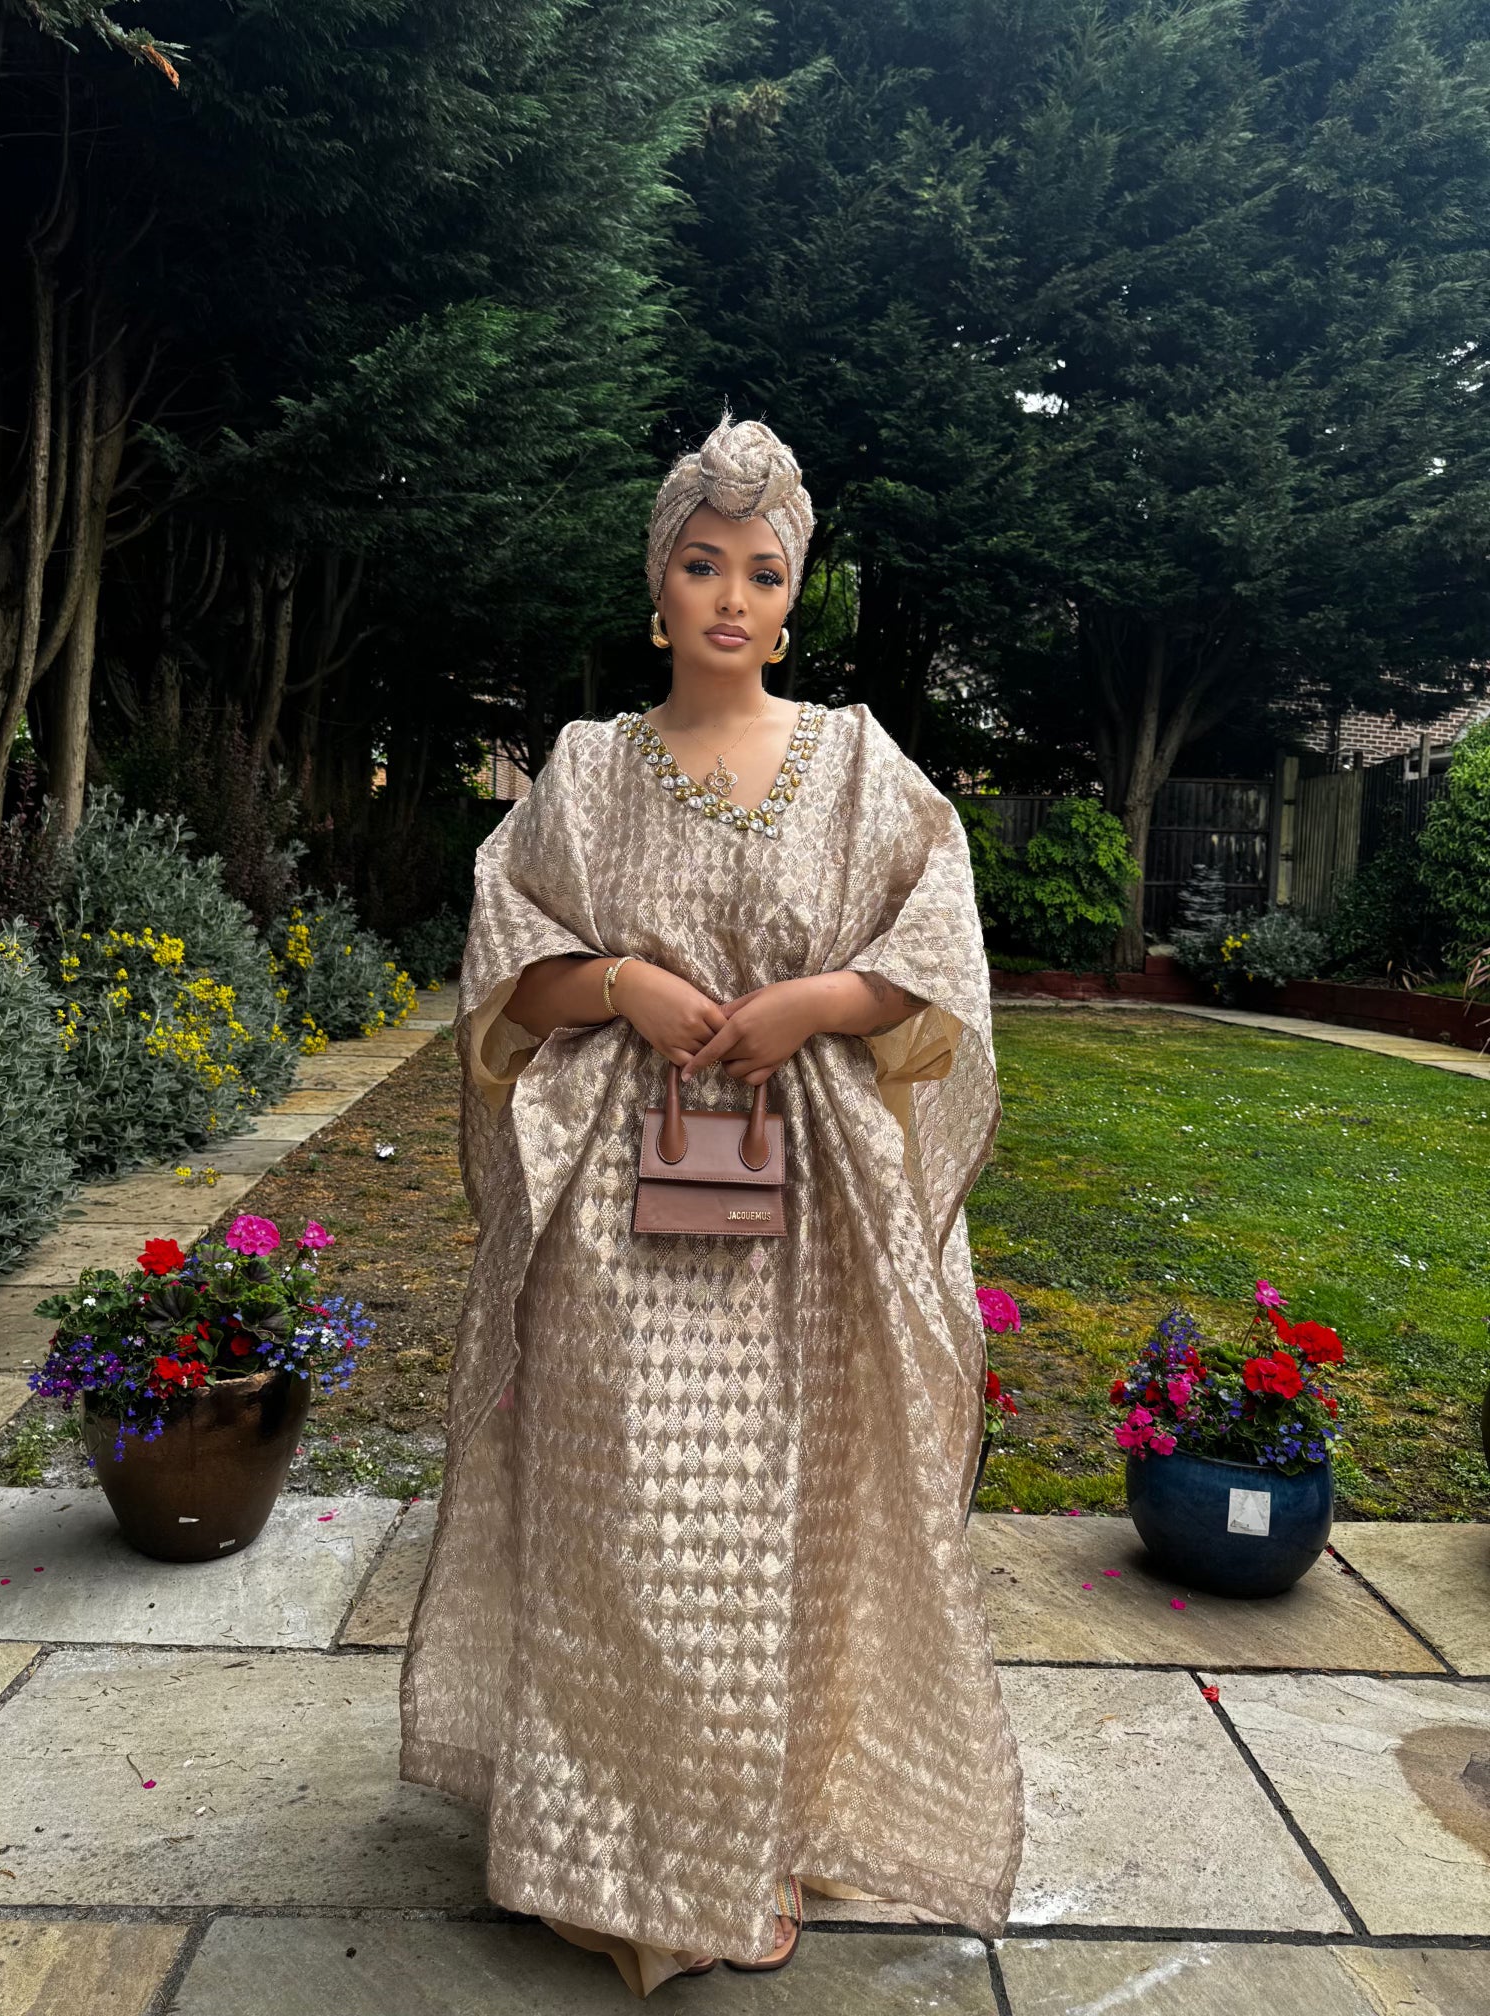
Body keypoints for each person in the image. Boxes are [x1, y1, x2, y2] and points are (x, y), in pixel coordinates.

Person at [397, 410, 1023, 1996]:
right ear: (658, 586)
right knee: (620, 1520)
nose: (731, 597)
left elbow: (936, 955)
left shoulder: (864, 764)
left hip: (802, 1221)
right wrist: (619, 982)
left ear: (791, 597)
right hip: (619, 1218)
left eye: (762, 570)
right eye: (701, 564)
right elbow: (506, 955)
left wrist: (815, 999)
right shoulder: (591, 770)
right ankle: (591, 1849)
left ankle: (742, 1838)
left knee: (767, 1536)